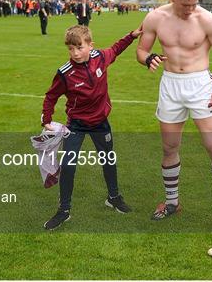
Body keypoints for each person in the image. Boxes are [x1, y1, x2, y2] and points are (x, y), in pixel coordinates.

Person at [136, 0, 212, 234]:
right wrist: (147, 59)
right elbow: (141, 50)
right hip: (170, 85)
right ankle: (172, 203)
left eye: (194, 4)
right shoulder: (155, 18)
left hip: (200, 86)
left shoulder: (207, 20)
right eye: (185, 5)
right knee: (169, 147)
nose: (190, 9)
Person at [41, 24, 142, 230]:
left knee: (108, 161)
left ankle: (113, 197)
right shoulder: (64, 73)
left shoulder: (100, 57)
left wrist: (131, 36)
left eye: (79, 47)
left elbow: (115, 49)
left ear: (90, 46)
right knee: (68, 166)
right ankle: (64, 210)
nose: (75, 53)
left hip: (100, 123)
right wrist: (46, 120)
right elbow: (51, 96)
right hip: (76, 125)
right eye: (71, 49)